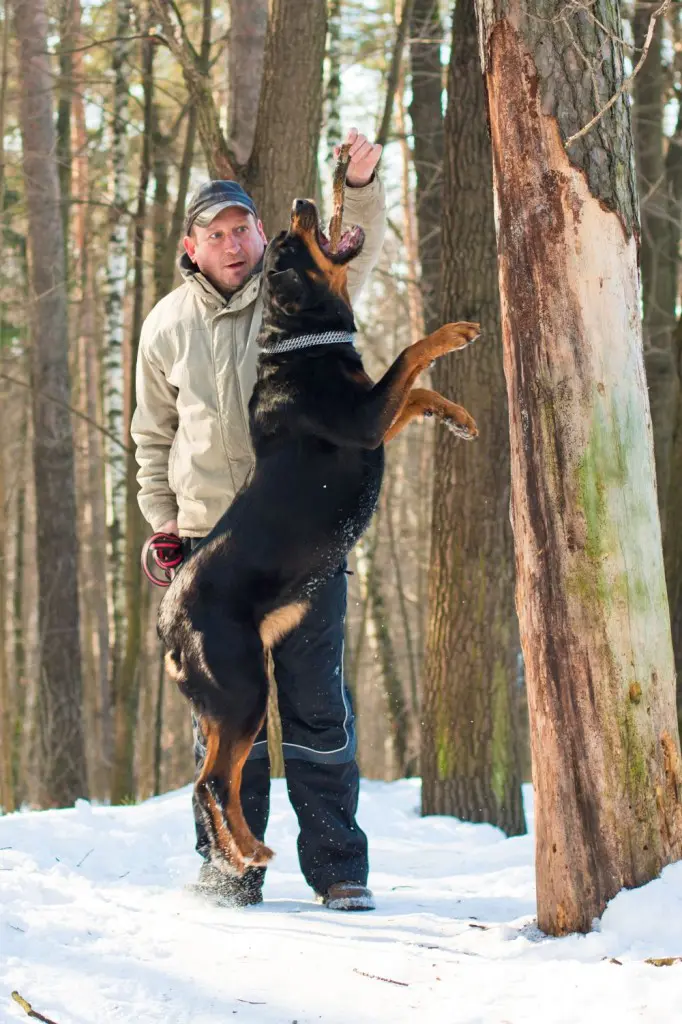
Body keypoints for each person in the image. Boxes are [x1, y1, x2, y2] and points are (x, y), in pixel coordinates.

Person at [131, 128, 386, 910]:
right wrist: (164, 526)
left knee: (316, 704)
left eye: (243, 227)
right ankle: (228, 869)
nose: (236, 243)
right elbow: (150, 439)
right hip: (215, 546)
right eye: (218, 233)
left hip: (299, 536)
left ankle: (338, 869)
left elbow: (355, 256)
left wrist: (362, 182)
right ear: (192, 245)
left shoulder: (289, 289)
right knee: (230, 716)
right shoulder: (164, 327)